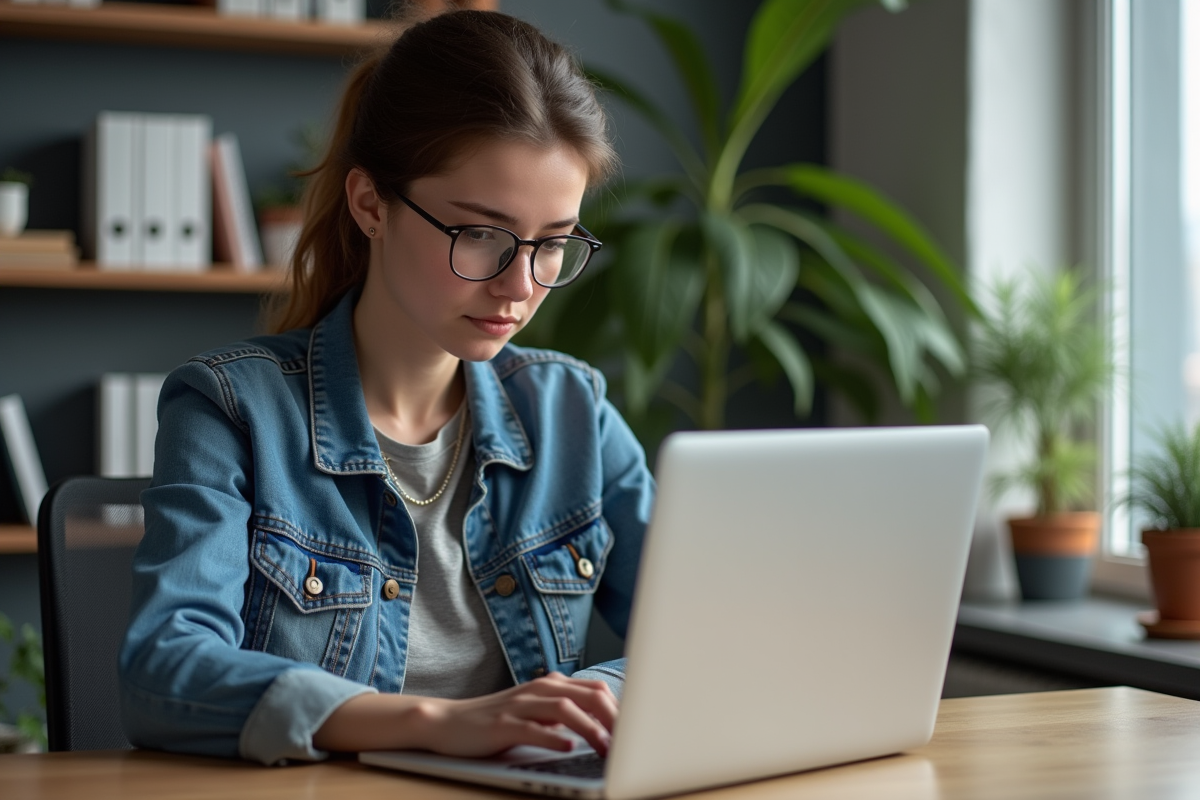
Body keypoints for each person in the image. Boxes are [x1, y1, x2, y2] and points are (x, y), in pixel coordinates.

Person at [118, 8, 654, 766]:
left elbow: (706, 636)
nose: (519, 285)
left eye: (553, 244)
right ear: (371, 204)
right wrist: (436, 723)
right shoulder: (231, 409)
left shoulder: (574, 412)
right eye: (481, 235)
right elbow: (163, 670)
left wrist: (590, 701)